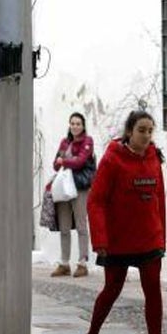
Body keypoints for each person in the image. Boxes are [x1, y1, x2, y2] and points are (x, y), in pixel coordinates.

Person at [83, 110, 167, 334]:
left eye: (150, 131)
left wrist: (161, 237)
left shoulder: (154, 158)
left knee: (154, 293)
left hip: (149, 239)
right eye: (141, 130)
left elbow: (159, 200)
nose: (146, 135)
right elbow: (96, 201)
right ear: (129, 132)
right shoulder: (112, 159)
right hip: (118, 240)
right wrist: (100, 239)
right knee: (112, 290)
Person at [50, 112, 95, 278]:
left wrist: (64, 161)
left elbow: (80, 161)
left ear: (83, 126)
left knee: (81, 225)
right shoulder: (65, 142)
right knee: (64, 227)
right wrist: (61, 161)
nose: (75, 126)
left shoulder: (87, 141)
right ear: (69, 125)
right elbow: (56, 165)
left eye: (78, 124)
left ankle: (82, 263)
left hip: (79, 187)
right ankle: (64, 263)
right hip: (64, 188)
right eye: (72, 123)